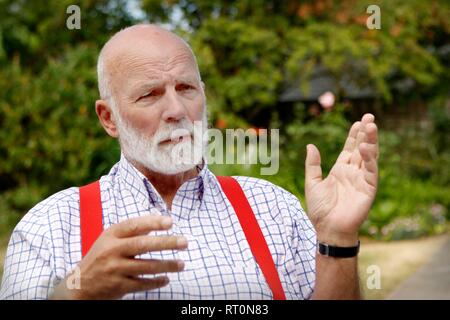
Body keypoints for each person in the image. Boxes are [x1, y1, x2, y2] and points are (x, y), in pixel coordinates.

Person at [0, 24, 379, 300]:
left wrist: (337, 238)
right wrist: (74, 294)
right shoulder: (48, 227)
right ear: (109, 118)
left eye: (186, 88)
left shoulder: (274, 208)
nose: (177, 110)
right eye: (149, 95)